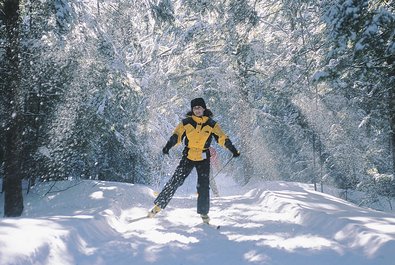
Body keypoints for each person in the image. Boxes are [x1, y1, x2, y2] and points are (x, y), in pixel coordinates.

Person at [148, 97, 240, 224]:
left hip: (203, 158)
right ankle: (157, 207)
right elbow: (177, 136)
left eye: (199, 107)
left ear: (204, 108)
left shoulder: (212, 125)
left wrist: (233, 150)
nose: (197, 110)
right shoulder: (186, 123)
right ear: (192, 110)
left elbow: (222, 138)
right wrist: (167, 146)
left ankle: (204, 213)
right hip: (189, 157)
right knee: (176, 180)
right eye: (195, 108)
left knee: (203, 186)